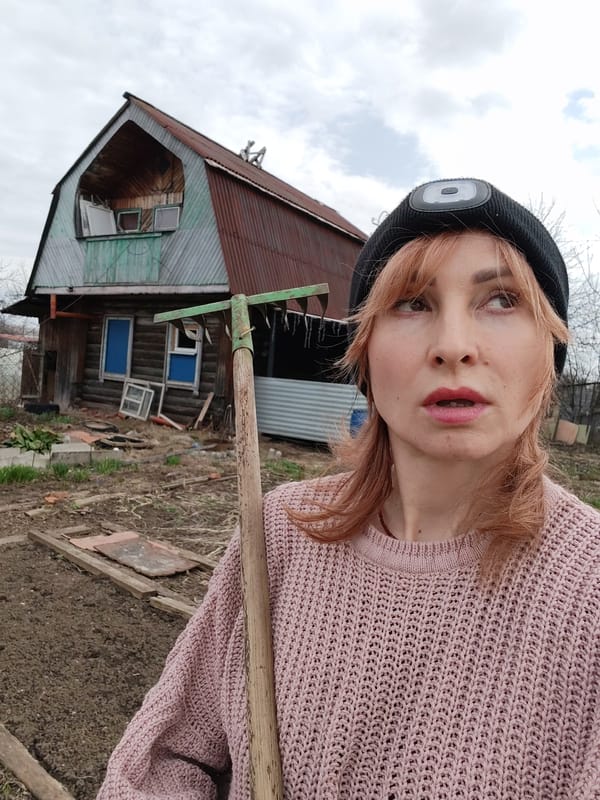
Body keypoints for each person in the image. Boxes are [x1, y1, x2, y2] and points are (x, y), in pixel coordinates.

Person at [97, 178, 600, 799]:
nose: (452, 347)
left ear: (550, 352)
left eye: (500, 300)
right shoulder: (277, 533)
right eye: (412, 303)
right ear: (365, 355)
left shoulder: (589, 590)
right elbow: (164, 762)